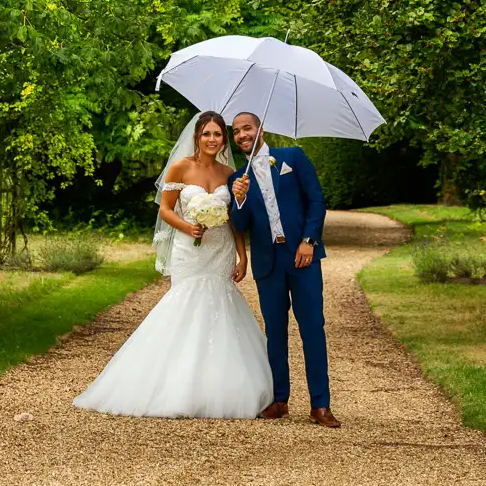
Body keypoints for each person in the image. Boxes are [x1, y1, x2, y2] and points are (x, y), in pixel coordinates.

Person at [73, 111, 274, 418]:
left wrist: (242, 254)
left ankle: (218, 387)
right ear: (197, 137)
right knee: (184, 307)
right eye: (206, 134)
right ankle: (172, 385)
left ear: (224, 139)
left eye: (217, 134)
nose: (211, 139)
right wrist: (187, 228)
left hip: (219, 250)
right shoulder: (180, 168)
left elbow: (234, 218)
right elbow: (166, 210)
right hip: (189, 250)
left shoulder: (230, 173)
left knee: (220, 307)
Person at [228, 111, 339, 428]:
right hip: (268, 262)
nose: (241, 135)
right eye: (235, 131)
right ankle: (280, 401)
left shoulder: (292, 157)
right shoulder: (236, 179)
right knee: (274, 333)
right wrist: (238, 200)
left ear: (260, 129)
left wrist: (309, 241)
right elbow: (240, 225)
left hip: (302, 258)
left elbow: (316, 201)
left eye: (247, 128)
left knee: (312, 329)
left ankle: (321, 405)